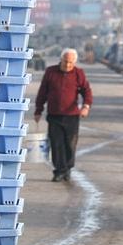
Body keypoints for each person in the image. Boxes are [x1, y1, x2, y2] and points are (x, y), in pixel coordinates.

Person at [34, 48, 92, 181]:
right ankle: (59, 171)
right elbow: (43, 92)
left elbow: (86, 91)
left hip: (71, 116)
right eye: (66, 62)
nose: (68, 65)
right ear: (61, 60)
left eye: (71, 63)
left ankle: (68, 168)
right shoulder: (51, 72)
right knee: (56, 143)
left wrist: (86, 106)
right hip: (54, 115)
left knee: (70, 144)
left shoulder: (78, 73)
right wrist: (38, 110)